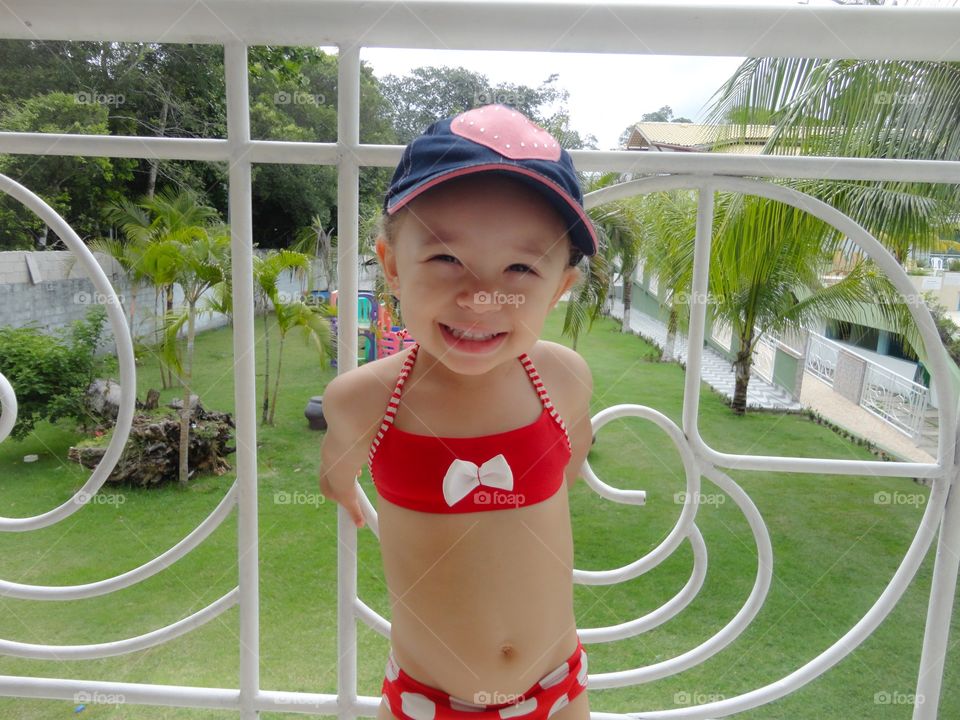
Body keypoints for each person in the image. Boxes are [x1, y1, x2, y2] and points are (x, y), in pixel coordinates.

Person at [319, 103, 598, 720]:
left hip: (557, 689)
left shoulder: (563, 379)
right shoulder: (364, 399)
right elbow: (337, 477)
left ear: (558, 288)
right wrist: (349, 494)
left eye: (521, 267)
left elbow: (569, 459)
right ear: (392, 264)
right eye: (446, 258)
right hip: (430, 701)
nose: (479, 296)